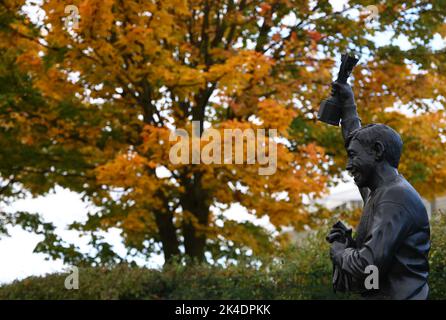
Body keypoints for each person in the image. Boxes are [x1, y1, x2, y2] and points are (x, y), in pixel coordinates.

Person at [326, 81, 431, 300]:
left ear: (377, 151)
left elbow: (367, 265)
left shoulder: (395, 197)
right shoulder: (379, 191)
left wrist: (340, 252)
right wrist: (348, 106)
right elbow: (355, 139)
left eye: (353, 157)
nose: (348, 165)